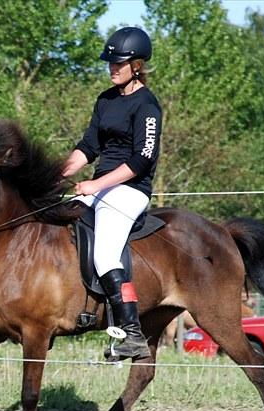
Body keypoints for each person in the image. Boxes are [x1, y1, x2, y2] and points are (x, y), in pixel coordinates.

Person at [62, 27, 162, 361]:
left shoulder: (147, 105)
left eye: (118, 63)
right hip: (100, 188)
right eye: (110, 62)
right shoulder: (105, 100)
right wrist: (60, 172)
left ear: (137, 64)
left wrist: (95, 185)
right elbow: (88, 147)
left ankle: (132, 334)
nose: (112, 68)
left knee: (105, 256)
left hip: (129, 190)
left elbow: (141, 159)